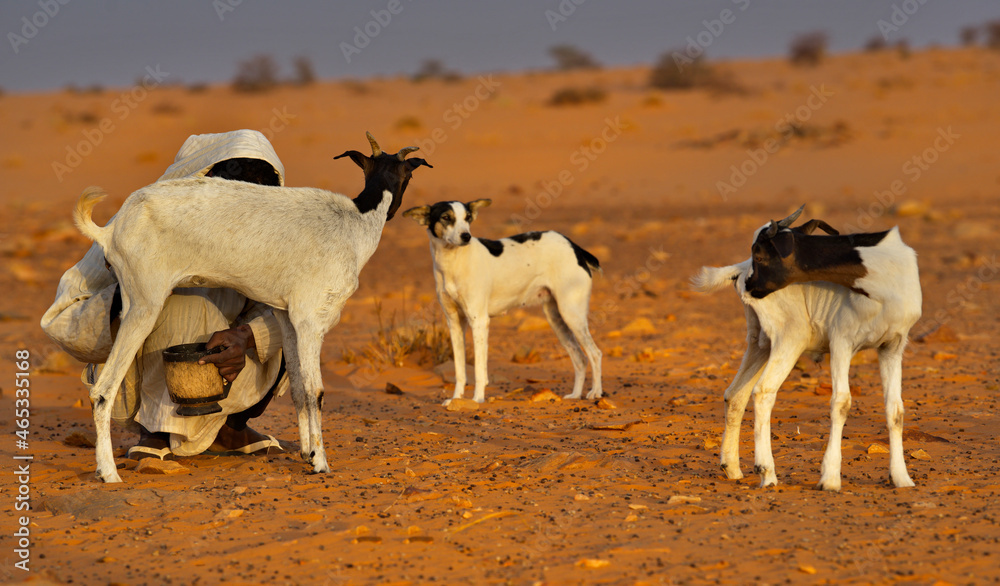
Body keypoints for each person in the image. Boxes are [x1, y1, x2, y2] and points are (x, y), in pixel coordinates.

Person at [42, 130, 289, 460]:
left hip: (230, 375)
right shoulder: (138, 224)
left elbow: (287, 306)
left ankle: (230, 428)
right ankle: (156, 430)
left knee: (303, 316)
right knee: (175, 300)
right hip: (142, 378)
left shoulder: (267, 236)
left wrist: (246, 336)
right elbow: (61, 320)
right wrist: (131, 285)